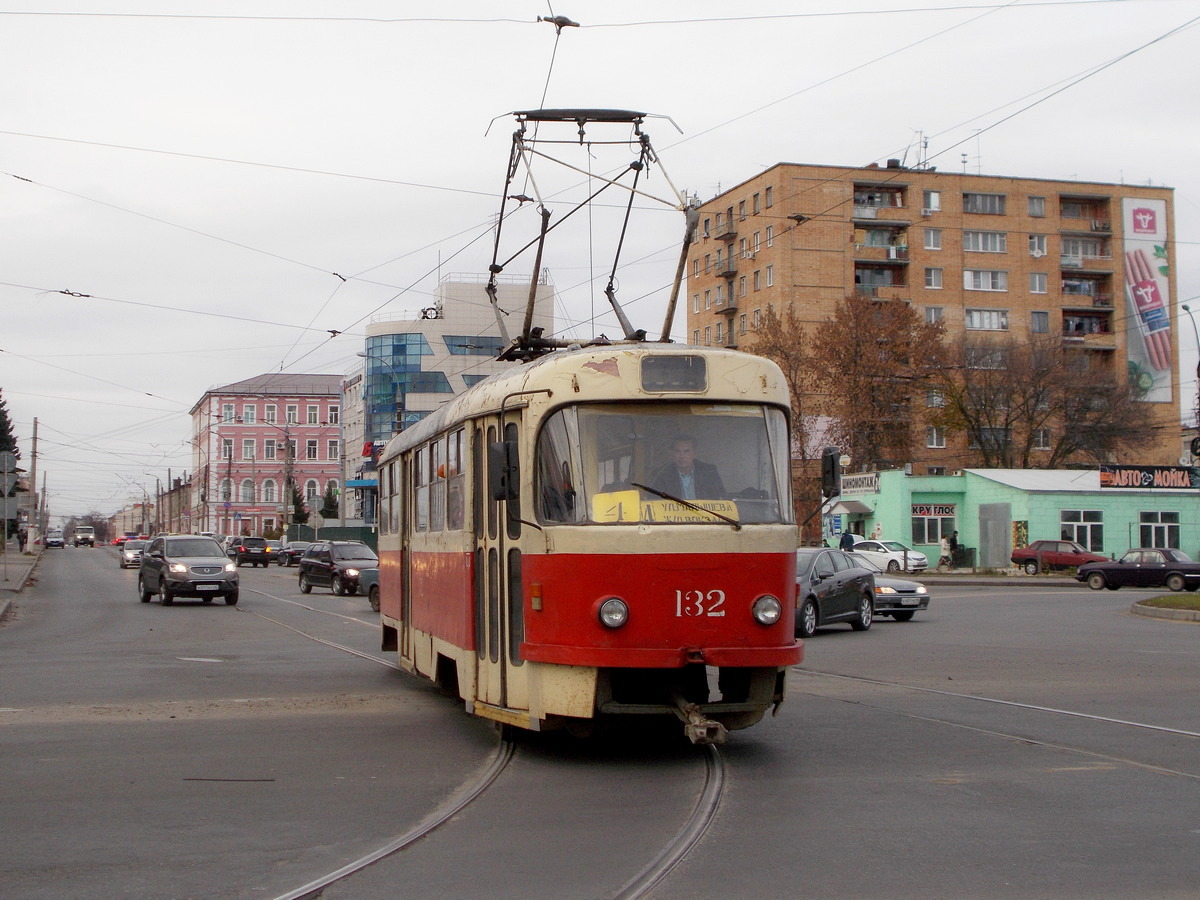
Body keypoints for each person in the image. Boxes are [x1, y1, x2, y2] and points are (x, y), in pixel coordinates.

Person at [650, 434, 725, 500]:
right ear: (672, 453)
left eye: (686, 451)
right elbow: (654, 501)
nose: (682, 456)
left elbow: (721, 498)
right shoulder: (661, 474)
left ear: (694, 453)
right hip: (674, 515)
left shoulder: (709, 472)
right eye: (677, 451)